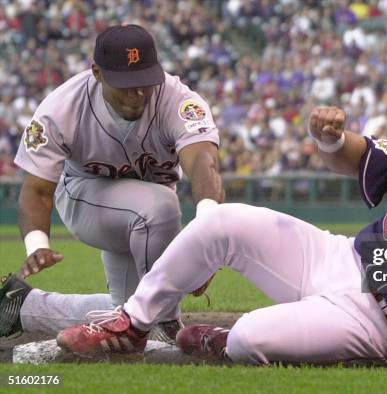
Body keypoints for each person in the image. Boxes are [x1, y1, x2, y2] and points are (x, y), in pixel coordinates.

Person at [54, 107, 387, 367]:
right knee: (218, 220)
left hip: (380, 324)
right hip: (337, 256)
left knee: (248, 340)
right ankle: (133, 322)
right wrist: (333, 138)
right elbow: (357, 154)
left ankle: (225, 344)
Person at [0, 24, 223, 341]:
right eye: (126, 83)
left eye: (145, 81)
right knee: (158, 206)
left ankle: (23, 307)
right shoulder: (62, 107)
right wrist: (37, 245)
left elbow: (203, 163)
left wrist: (207, 233)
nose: (138, 93)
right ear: (97, 73)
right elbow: (36, 191)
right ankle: (163, 324)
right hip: (84, 198)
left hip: (143, 219)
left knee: (128, 306)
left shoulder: (177, 99)